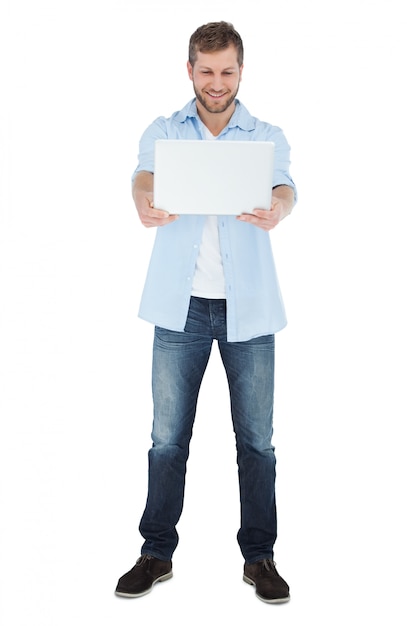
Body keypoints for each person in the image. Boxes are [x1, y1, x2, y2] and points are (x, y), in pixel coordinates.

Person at [115, 21, 297, 604]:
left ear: (241, 72)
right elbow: (143, 172)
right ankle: (156, 552)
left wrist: (279, 206)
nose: (216, 83)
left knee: (258, 442)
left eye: (227, 71)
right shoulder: (165, 131)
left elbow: (285, 185)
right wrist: (143, 196)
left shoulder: (265, 135)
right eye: (206, 70)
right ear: (189, 70)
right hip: (179, 309)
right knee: (166, 439)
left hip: (250, 313)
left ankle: (260, 556)